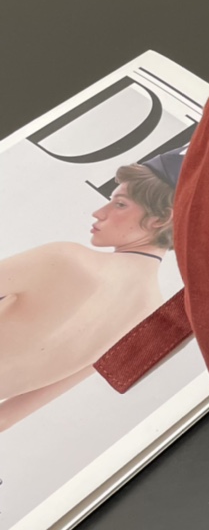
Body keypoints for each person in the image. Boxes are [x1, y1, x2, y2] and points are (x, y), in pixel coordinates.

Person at [0, 150, 183, 432]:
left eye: (120, 204)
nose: (99, 213)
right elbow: (6, 417)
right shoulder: (149, 323)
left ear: (160, 219)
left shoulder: (66, 258)